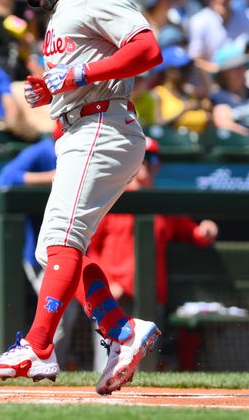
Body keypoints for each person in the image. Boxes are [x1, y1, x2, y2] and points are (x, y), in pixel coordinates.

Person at [0, 0, 162, 396]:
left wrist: (78, 74)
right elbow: (79, 73)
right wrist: (56, 87)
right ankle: (120, 331)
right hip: (81, 126)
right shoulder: (62, 16)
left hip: (103, 123)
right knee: (52, 250)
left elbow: (147, 49)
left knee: (60, 238)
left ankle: (38, 346)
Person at [83, 138, 217, 370]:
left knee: (145, 362)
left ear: (158, 165)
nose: (145, 164)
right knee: (107, 360)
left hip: (150, 293)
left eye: (151, 158)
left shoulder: (162, 203)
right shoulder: (112, 199)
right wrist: (106, 284)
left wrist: (205, 228)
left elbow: (192, 232)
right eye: (141, 158)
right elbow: (90, 247)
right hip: (115, 293)